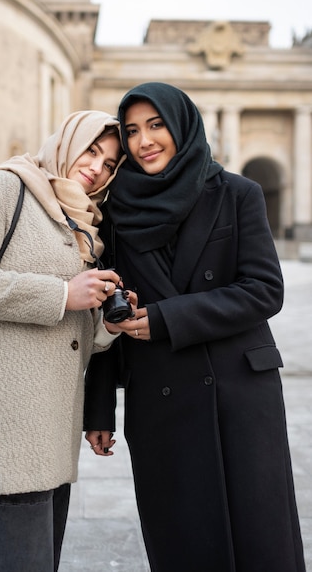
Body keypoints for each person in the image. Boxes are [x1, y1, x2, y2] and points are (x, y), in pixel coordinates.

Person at [84, 83, 306, 572]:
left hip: (241, 393)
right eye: (134, 130)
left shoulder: (236, 193)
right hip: (161, 398)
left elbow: (265, 290)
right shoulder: (117, 211)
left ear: (181, 125)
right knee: (184, 534)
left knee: (259, 535)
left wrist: (168, 318)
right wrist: (98, 407)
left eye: (157, 125)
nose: (145, 141)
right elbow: (105, 307)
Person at [0, 110, 131, 572]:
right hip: (9, 429)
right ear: (66, 142)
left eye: (109, 163)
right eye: (92, 150)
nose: (97, 167)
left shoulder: (84, 223)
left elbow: (76, 333)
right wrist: (63, 293)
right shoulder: (2, 186)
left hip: (54, 430)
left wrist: (106, 325)